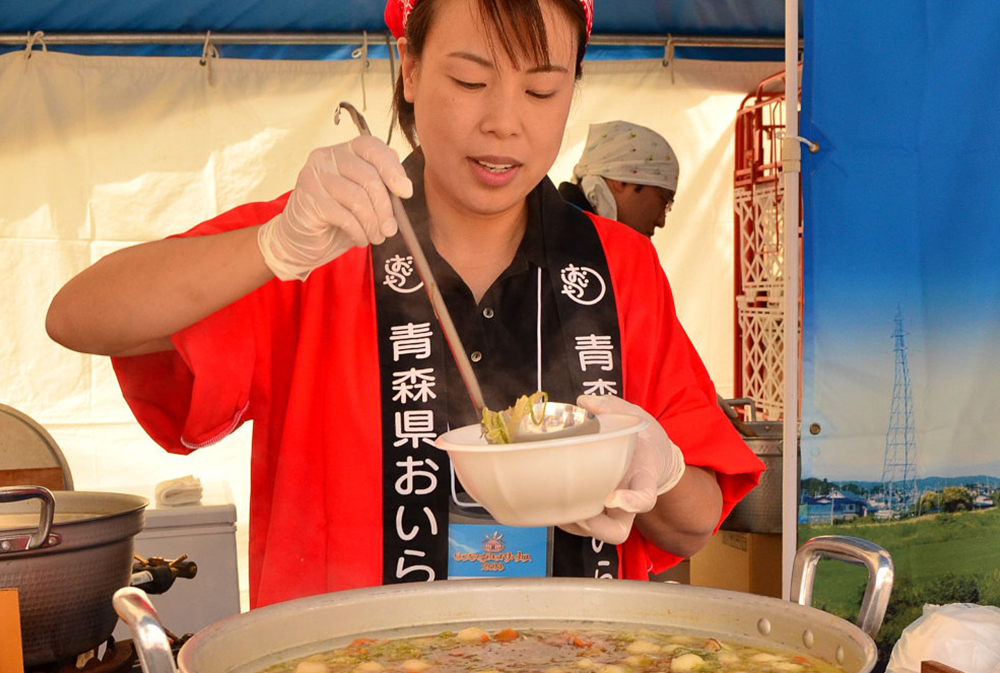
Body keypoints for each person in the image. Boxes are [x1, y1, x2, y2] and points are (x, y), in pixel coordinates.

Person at [46, 0, 763, 608]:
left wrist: (657, 466)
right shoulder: (323, 240)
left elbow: (693, 524)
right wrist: (271, 247)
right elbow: (76, 314)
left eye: (542, 91)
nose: (504, 123)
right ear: (410, 69)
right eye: (470, 79)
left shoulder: (617, 266)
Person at [558, 120, 679, 237]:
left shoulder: (575, 229)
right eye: (664, 201)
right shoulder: (559, 233)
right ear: (622, 181)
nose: (661, 222)